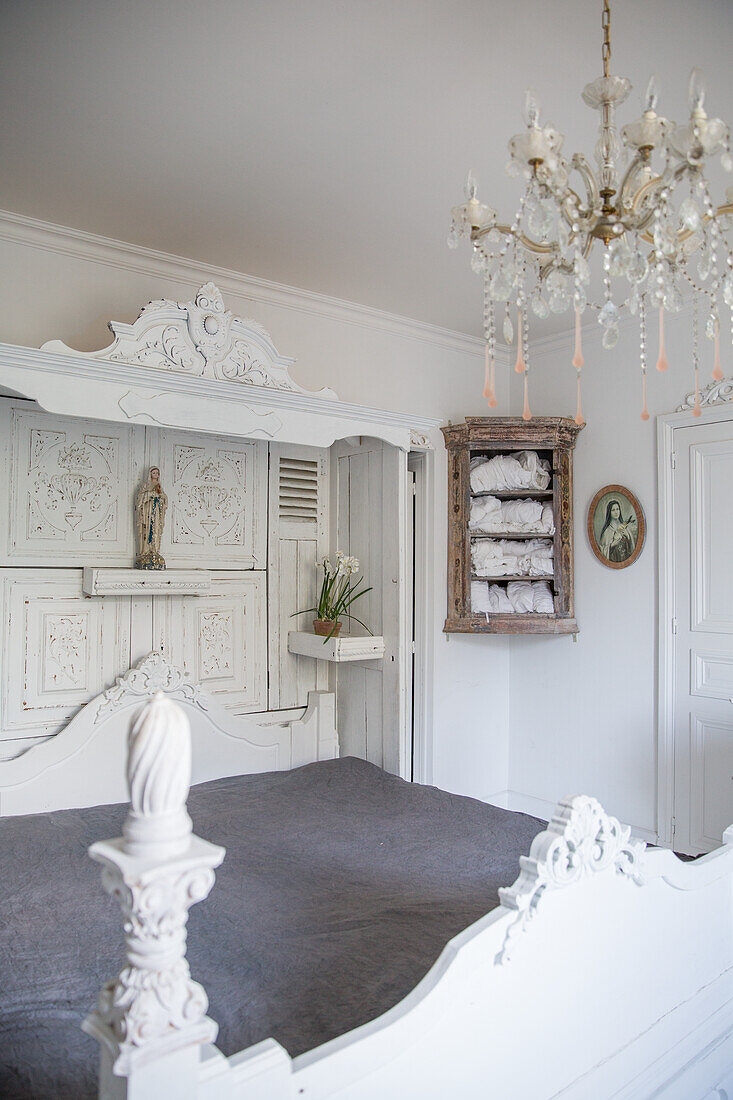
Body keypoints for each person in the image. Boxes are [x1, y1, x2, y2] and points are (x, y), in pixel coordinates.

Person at [135, 466, 168, 569]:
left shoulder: (159, 486)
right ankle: (145, 551)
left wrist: (161, 497)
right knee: (147, 530)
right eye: (154, 473)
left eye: (157, 473)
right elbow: (140, 499)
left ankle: (155, 550)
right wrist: (151, 495)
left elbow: (164, 499)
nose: (155, 475)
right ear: (150, 474)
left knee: (156, 530)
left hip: (157, 511)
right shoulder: (146, 485)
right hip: (148, 512)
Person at [598, 498, 636, 563]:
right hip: (614, 561)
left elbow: (632, 549)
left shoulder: (625, 528)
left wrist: (628, 537)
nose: (616, 512)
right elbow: (602, 552)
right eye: (613, 510)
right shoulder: (607, 532)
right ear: (609, 512)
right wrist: (612, 544)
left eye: (617, 509)